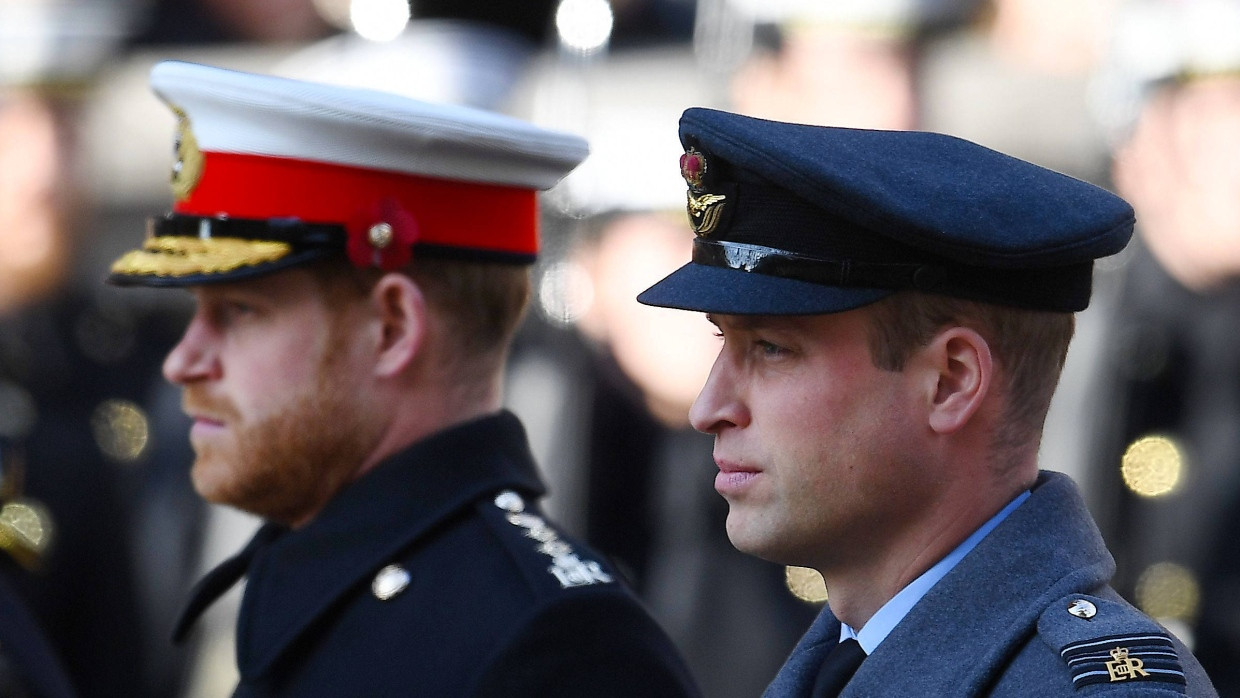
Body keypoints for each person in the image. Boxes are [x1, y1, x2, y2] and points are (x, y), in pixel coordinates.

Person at [106, 60, 701, 698]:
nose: (184, 361)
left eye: (240, 312)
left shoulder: (558, 651)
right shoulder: (330, 578)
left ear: (391, 327)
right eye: (196, 315)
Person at [636, 107, 1219, 696]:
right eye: (723, 340)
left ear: (951, 380)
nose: (707, 407)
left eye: (771, 348)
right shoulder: (843, 660)